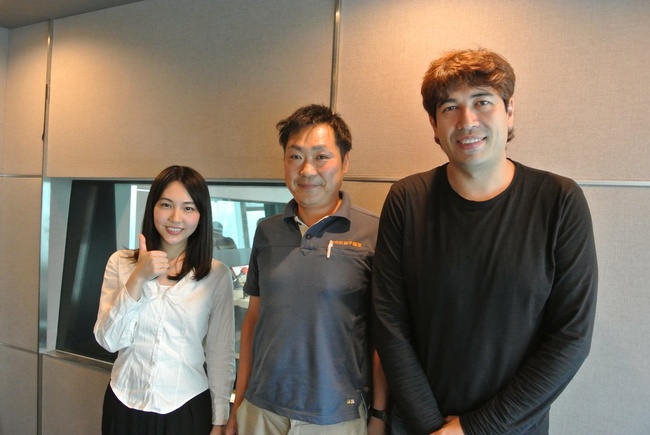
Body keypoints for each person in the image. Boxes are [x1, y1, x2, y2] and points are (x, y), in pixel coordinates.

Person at [371, 48, 598, 434]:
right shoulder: (407, 199)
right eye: (450, 107)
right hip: (418, 425)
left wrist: (474, 429)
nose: (467, 121)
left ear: (509, 111)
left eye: (482, 102)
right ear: (434, 124)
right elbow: (389, 321)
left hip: (512, 426)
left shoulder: (559, 201)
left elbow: (571, 336)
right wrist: (433, 427)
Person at [226, 104, 389, 435]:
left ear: (345, 161)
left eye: (321, 157)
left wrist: (379, 415)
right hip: (261, 410)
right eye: (295, 156)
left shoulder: (374, 233)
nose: (307, 170)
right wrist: (239, 402)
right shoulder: (267, 231)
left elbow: (385, 335)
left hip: (336, 416)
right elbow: (254, 320)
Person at [94, 165, 235, 435]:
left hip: (185, 408)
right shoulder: (121, 263)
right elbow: (109, 341)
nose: (175, 217)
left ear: (201, 215)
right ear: (153, 207)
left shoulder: (216, 275)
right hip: (123, 402)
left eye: (188, 208)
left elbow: (220, 352)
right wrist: (138, 277)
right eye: (166, 205)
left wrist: (219, 420)